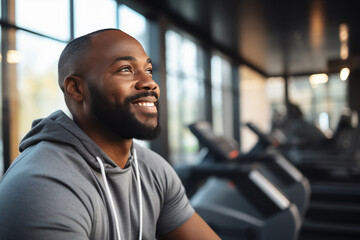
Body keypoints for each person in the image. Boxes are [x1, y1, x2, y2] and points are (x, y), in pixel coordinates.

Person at [0, 29, 220, 240]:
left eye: (149, 70)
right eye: (125, 69)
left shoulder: (152, 169)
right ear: (76, 89)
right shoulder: (44, 185)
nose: (150, 83)